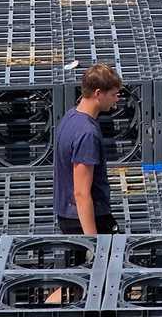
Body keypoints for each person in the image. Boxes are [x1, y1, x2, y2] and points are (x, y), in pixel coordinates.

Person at [54, 63, 122, 234]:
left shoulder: (70, 116)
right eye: (113, 95)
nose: (116, 99)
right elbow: (81, 193)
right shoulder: (87, 133)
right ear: (98, 93)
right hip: (83, 221)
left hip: (69, 215)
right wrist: (93, 241)